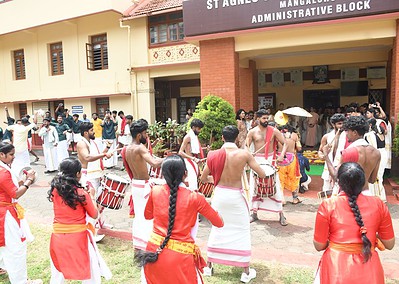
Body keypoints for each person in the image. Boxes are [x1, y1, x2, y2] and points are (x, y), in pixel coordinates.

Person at [135, 155, 224, 284]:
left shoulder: (155, 191)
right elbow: (219, 223)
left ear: (163, 174)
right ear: (185, 174)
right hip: (180, 258)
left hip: (154, 251)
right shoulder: (195, 197)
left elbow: (148, 216)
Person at [200, 125, 266, 283]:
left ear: (222, 138)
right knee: (241, 229)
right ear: (237, 138)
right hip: (236, 196)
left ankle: (209, 266)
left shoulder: (213, 154)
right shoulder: (244, 154)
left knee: (217, 228)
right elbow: (262, 174)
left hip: (220, 196)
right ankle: (245, 271)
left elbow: (203, 178)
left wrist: (216, 180)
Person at [313, 162, 395, 284]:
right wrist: (371, 237)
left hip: (336, 269)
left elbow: (319, 245)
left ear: (339, 182)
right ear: (363, 182)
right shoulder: (379, 205)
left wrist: (337, 242)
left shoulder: (328, 205)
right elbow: (390, 244)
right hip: (370, 270)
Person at [48, 157, 112, 283]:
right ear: (78, 174)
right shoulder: (81, 193)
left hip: (57, 237)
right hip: (78, 238)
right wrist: (92, 197)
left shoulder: (55, 189)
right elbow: (94, 215)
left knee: (58, 271)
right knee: (90, 270)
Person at [0, 142, 42, 284]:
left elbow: (10, 187)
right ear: (2, 154)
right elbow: (15, 193)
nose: (13, 158)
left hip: (5, 211)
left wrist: (23, 181)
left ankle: (2, 267)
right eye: (11, 155)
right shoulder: (2, 171)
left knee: (6, 247)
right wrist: (29, 180)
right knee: (16, 249)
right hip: (6, 214)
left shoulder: (4, 168)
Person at [121, 119, 163, 252]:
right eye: (145, 133)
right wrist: (170, 158)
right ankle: (147, 244)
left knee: (139, 216)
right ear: (139, 135)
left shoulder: (126, 148)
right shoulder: (140, 147)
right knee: (148, 216)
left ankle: (138, 245)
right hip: (144, 185)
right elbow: (155, 164)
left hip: (136, 185)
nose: (146, 136)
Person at [246, 109, 288, 225]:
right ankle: (253, 213)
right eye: (264, 118)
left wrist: (282, 155)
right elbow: (246, 146)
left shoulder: (274, 131)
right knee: (255, 187)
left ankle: (281, 214)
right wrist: (249, 153)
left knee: (276, 187)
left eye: (267, 118)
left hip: (271, 161)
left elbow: (285, 143)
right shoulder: (252, 132)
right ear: (257, 118)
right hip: (256, 161)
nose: (266, 120)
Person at [323, 116, 381, 195]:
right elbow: (372, 180)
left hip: (349, 195)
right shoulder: (376, 153)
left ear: (354, 132)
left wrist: (326, 156)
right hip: (366, 193)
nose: (345, 134)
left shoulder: (348, 152)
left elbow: (336, 176)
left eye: (347, 131)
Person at [77, 122, 112, 242]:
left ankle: (101, 224)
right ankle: (92, 233)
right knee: (91, 204)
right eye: (92, 130)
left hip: (96, 174)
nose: (94, 132)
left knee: (99, 202)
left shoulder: (91, 142)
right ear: (86, 132)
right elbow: (87, 158)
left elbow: (97, 156)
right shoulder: (81, 143)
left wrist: (106, 149)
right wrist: (104, 154)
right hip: (88, 176)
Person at [318, 113, 346, 193]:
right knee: (327, 192)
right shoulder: (327, 137)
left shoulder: (348, 137)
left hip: (342, 168)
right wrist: (323, 155)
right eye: (339, 124)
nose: (342, 126)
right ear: (333, 124)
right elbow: (320, 151)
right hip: (328, 167)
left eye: (343, 123)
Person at [277, 124, 302, 204]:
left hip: (280, 158)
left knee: (280, 179)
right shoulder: (294, 135)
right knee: (294, 178)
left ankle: (282, 199)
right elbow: (299, 148)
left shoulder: (277, 135)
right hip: (291, 159)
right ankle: (295, 198)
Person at [178, 118, 205, 191]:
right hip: (189, 162)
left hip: (194, 161)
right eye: (199, 128)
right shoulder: (188, 137)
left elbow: (196, 150)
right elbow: (180, 152)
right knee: (192, 184)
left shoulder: (195, 137)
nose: (200, 130)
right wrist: (192, 158)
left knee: (194, 182)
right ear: (193, 127)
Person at [365, 118, 387, 202]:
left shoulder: (370, 135)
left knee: (375, 176)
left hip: (376, 155)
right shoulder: (381, 134)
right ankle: (381, 196)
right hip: (383, 154)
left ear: (370, 125)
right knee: (379, 176)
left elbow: (372, 148)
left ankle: (376, 196)